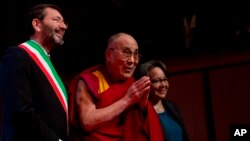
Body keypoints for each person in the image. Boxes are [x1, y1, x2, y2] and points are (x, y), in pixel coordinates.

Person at [68, 32, 164, 141]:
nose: (132, 61)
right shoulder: (91, 80)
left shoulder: (133, 85)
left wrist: (141, 107)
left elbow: (142, 128)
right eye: (127, 53)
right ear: (109, 55)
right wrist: (127, 100)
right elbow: (87, 122)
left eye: (136, 55)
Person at [0, 4, 68, 141]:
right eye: (57, 20)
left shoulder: (49, 64)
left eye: (63, 22)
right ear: (37, 24)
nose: (64, 26)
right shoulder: (17, 55)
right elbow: (21, 111)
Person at [137, 60, 190, 141]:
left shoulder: (172, 106)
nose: (163, 85)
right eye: (156, 81)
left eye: (165, 79)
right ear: (144, 83)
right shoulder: (140, 113)